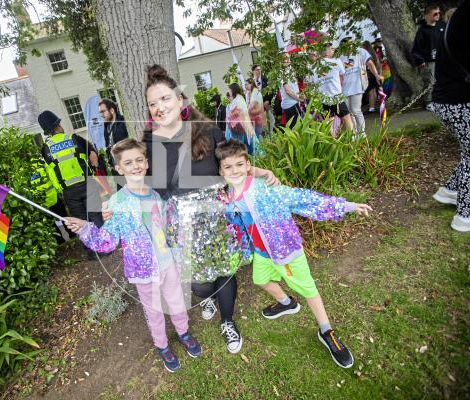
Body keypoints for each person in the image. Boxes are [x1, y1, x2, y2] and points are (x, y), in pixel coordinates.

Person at [141, 64, 279, 354]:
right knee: (201, 286)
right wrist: (115, 203)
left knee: (225, 273)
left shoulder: (207, 132)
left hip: (218, 215)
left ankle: (227, 320)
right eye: (152, 103)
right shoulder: (149, 144)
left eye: (165, 99)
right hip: (182, 222)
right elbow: (140, 184)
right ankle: (207, 297)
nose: (159, 107)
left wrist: (261, 172)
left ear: (180, 101)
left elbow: (232, 164)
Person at [216, 139, 373, 368]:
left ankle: (326, 331)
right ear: (221, 171)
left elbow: (303, 199)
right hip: (262, 253)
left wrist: (346, 206)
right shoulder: (228, 197)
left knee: (309, 289)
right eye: (228, 167)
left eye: (239, 165)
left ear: (248, 165)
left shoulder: (264, 189)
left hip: (286, 251)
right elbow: (234, 226)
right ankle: (287, 303)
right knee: (260, 279)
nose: (235, 171)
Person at [64, 138, 202, 372]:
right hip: (143, 270)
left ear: (146, 163)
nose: (136, 165)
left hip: (167, 262)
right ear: (119, 169)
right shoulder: (117, 203)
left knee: (177, 300)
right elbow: (107, 242)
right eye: (129, 163)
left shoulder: (156, 195)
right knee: (154, 310)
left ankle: (184, 332)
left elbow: (167, 226)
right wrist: (85, 228)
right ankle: (162, 345)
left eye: (139, 160)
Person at [37, 110, 104, 258]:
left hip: (68, 191)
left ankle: (92, 253)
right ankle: (105, 247)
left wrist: (60, 190)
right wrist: (94, 168)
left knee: (80, 221)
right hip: (87, 184)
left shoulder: (46, 149)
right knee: (96, 215)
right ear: (57, 125)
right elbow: (92, 153)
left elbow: (51, 172)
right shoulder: (74, 138)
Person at [428, 4, 470, 232]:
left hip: (449, 102)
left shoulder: (449, 31)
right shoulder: (456, 32)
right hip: (458, 103)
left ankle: (451, 191)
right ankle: (465, 214)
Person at [339, 38, 384, 136]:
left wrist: (377, 75)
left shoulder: (360, 52)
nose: (350, 47)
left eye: (351, 45)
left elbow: (370, 64)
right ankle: (354, 132)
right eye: (346, 46)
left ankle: (362, 133)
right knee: (349, 112)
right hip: (344, 89)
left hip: (357, 86)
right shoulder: (340, 57)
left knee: (355, 110)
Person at [310, 45, 354, 137]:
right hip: (336, 97)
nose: (333, 50)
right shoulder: (336, 61)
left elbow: (313, 84)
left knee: (328, 122)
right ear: (326, 52)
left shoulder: (313, 67)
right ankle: (352, 139)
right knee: (346, 117)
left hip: (324, 99)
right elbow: (342, 77)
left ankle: (333, 143)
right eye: (331, 48)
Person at [29, 158, 71, 244]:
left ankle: (60, 241)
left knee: (51, 224)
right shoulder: (40, 163)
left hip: (41, 202)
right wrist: (59, 190)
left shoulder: (22, 170)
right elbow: (52, 176)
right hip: (53, 196)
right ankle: (72, 235)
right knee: (64, 217)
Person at [412, 4, 446, 101]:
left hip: (444, 59)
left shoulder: (442, 26)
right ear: (427, 15)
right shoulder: (422, 31)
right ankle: (429, 101)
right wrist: (420, 60)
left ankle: (442, 98)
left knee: (444, 80)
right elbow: (416, 48)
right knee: (431, 82)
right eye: (435, 14)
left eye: (439, 13)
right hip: (430, 61)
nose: (438, 15)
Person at [98, 98, 128, 188]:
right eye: (100, 113)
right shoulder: (106, 126)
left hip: (126, 168)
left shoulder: (123, 122)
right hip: (116, 169)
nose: (102, 115)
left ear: (111, 110)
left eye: (103, 111)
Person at [226, 83, 256, 154]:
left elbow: (238, 113)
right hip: (235, 128)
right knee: (240, 146)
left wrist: (230, 116)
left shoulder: (239, 99)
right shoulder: (233, 101)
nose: (228, 91)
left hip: (241, 127)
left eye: (229, 89)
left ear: (233, 90)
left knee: (243, 146)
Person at [279, 55, 304, 129]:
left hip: (294, 104)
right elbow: (288, 91)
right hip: (291, 106)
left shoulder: (290, 71)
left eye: (288, 58)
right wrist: (299, 99)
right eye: (285, 59)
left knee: (295, 129)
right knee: (294, 130)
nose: (287, 60)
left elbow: (293, 88)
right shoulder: (282, 73)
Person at [362, 40, 382, 113]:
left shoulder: (366, 54)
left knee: (371, 91)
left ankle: (371, 107)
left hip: (369, 74)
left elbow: (368, 65)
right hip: (374, 74)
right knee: (374, 90)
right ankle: (373, 107)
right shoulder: (373, 54)